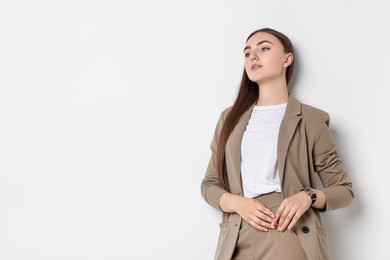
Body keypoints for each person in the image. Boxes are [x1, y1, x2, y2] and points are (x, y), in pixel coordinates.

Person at [200, 28, 354, 260]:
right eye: (247, 53)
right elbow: (209, 184)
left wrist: (307, 196)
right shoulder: (229, 118)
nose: (253, 56)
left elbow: (344, 190)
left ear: (287, 59)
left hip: (287, 232)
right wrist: (237, 203)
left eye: (263, 48)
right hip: (236, 234)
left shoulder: (311, 120)